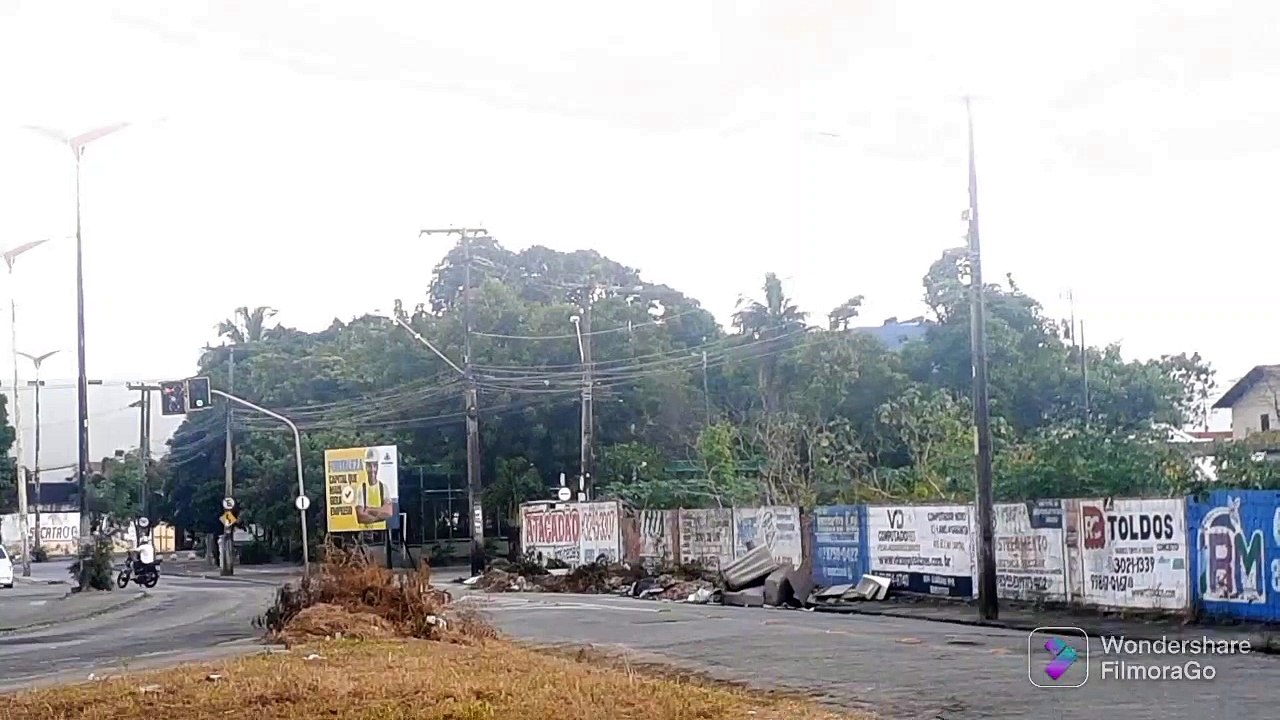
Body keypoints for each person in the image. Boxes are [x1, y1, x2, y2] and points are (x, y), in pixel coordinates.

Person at [355, 448, 395, 526]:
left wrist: (369, 510)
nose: (372, 469)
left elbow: (388, 513)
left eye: (375, 465)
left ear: (378, 467)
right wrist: (380, 514)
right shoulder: (361, 488)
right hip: (365, 533)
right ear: (366, 467)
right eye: (369, 466)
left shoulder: (384, 487)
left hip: (382, 533)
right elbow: (360, 517)